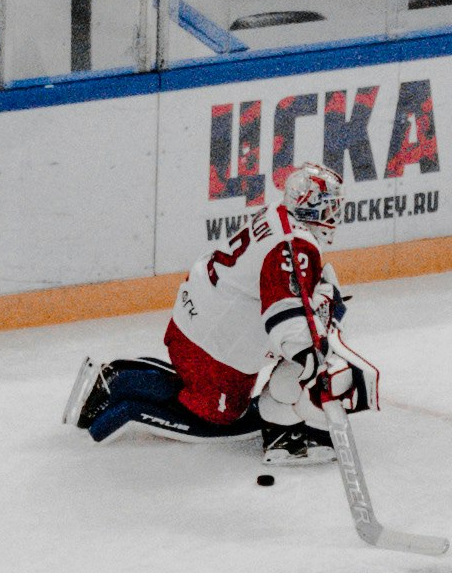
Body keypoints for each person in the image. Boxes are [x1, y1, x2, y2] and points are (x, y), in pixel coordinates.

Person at [66, 161, 380, 460]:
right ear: (316, 205)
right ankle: (120, 388)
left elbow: (278, 288)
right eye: (332, 205)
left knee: (197, 389)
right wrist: (311, 359)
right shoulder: (295, 246)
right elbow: (284, 315)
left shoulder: (279, 215)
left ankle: (123, 375)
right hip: (214, 352)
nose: (335, 214)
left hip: (196, 324)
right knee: (218, 418)